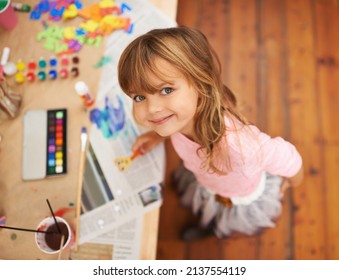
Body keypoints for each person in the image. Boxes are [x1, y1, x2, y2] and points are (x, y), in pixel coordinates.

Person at [117, 26, 303, 240]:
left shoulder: (242, 148)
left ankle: (213, 228)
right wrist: (156, 135)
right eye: (139, 97)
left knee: (223, 219)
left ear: (200, 83)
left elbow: (290, 158)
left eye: (166, 90)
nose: (151, 109)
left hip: (236, 196)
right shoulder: (178, 118)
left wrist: (292, 182)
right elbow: (168, 120)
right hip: (204, 178)